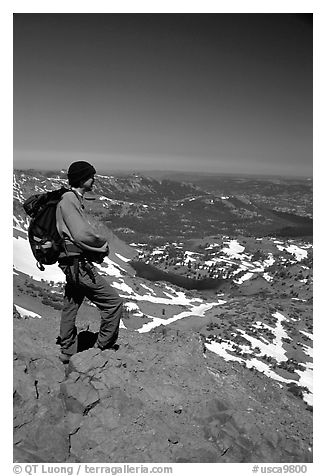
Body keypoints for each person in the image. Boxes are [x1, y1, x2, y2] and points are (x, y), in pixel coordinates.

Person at [56, 161, 123, 364]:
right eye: (91, 176)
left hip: (71, 261)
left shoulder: (70, 199)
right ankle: (100, 349)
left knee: (72, 302)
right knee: (113, 302)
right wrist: (102, 245)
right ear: (82, 178)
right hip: (77, 264)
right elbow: (81, 234)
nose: (94, 179)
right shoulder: (69, 200)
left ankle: (67, 350)